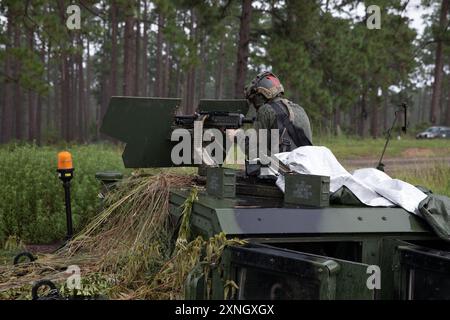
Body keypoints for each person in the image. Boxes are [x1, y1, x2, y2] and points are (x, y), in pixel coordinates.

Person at [244, 71, 313, 153]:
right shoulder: (299, 109)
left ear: (261, 94)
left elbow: (253, 151)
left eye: (254, 98)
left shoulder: (265, 110)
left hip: (284, 164)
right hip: (304, 163)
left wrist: (236, 136)